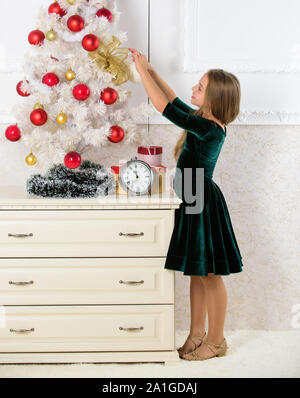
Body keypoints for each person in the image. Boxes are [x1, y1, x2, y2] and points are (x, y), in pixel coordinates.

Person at [129, 48, 243, 361]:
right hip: (191, 196)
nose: (194, 89)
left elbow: (166, 108)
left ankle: (217, 339)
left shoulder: (209, 127)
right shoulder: (200, 119)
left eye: (200, 87)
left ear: (215, 99)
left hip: (202, 200)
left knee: (210, 275)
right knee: (196, 271)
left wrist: (140, 73)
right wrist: (150, 72)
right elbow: (174, 99)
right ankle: (196, 334)